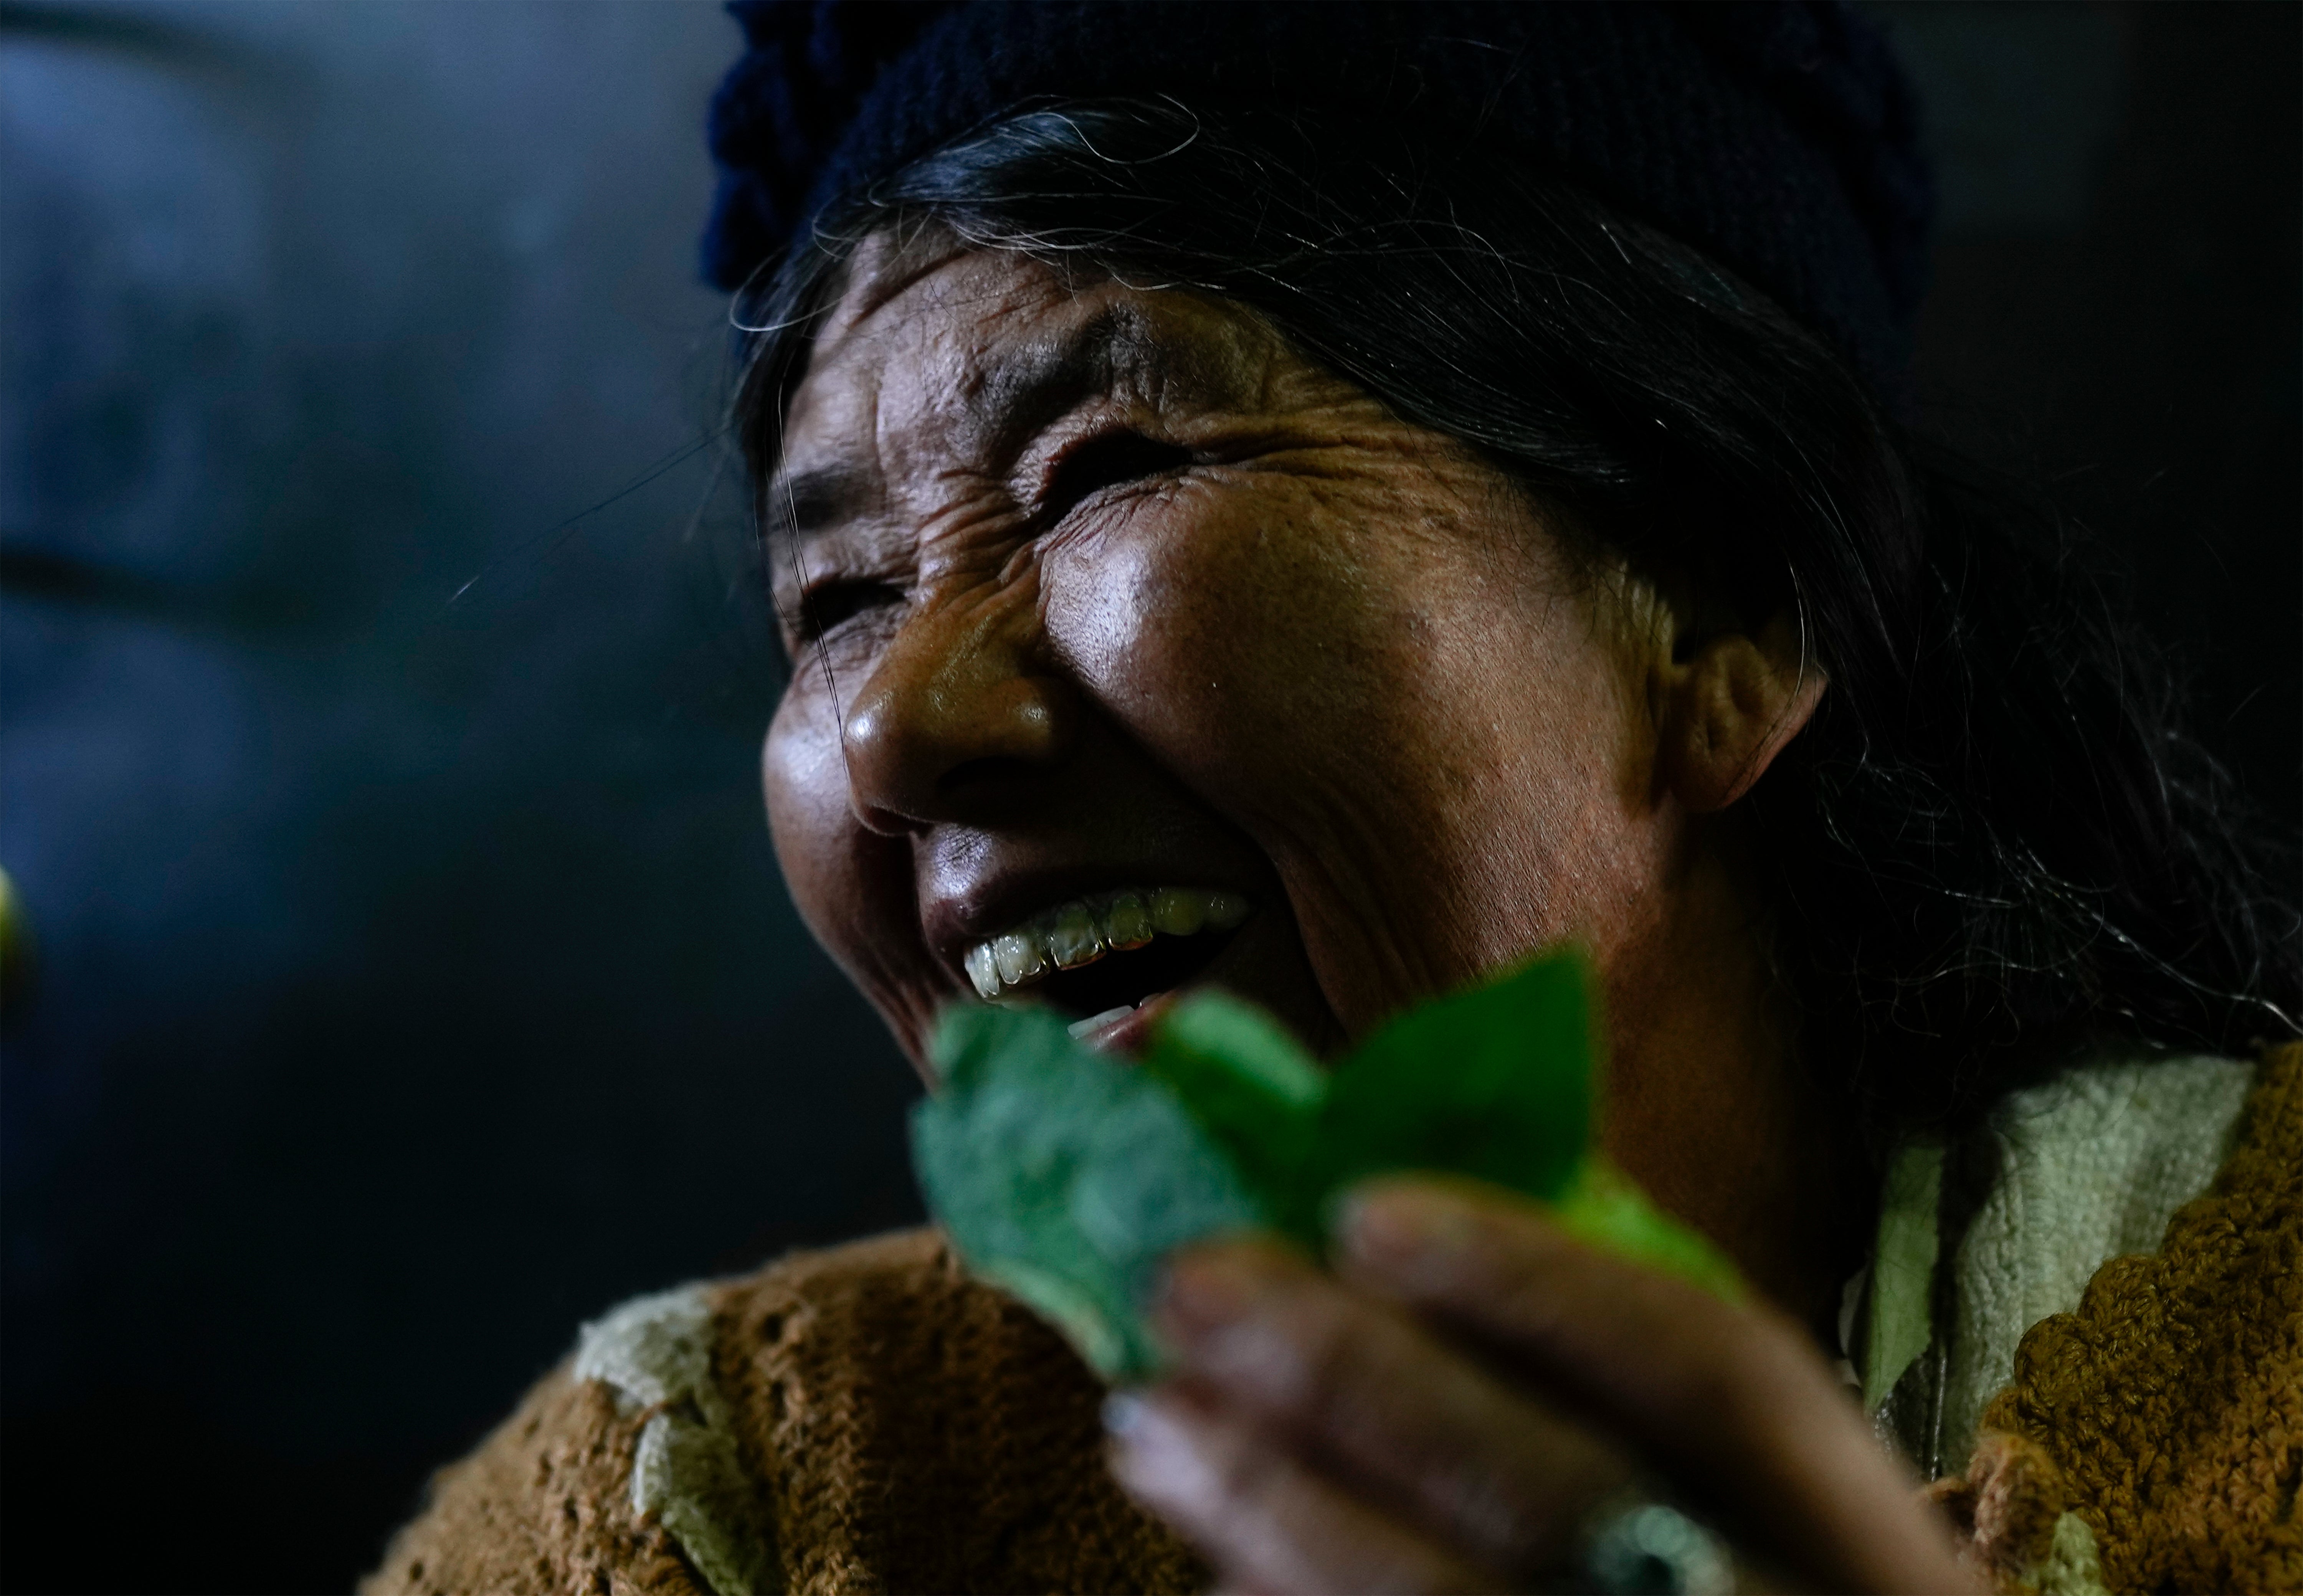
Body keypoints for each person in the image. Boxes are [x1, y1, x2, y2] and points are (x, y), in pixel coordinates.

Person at [365, 5, 2301, 1592]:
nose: (890, 733)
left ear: (1725, 612)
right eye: (842, 598)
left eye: (1099, 466)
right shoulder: (720, 1505)